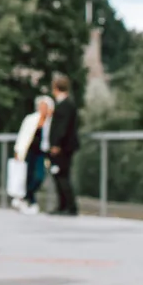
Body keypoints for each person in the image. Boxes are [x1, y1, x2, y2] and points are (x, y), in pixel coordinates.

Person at [12, 95, 54, 213]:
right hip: (28, 151)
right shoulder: (31, 119)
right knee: (27, 175)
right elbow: (22, 135)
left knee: (39, 176)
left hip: (42, 153)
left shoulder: (50, 121)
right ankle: (31, 201)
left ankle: (25, 196)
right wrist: (17, 151)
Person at [49, 73, 79, 216]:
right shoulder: (63, 104)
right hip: (62, 146)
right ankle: (62, 205)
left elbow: (63, 127)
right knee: (59, 175)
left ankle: (70, 206)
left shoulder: (66, 105)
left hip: (63, 147)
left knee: (62, 175)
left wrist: (56, 144)